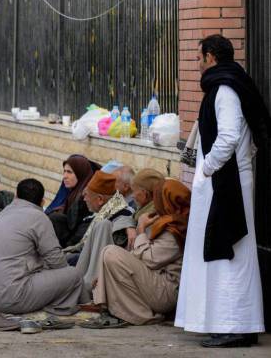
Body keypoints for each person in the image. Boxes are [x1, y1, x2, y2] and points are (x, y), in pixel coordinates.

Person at [176, 34, 268, 348]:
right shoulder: (227, 85)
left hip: (225, 182)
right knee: (222, 251)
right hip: (224, 181)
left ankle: (237, 326)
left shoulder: (225, 90)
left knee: (232, 252)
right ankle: (228, 323)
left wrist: (207, 168)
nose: (197, 63)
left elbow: (228, 136)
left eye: (198, 57)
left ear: (211, 57)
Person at [86, 179, 191, 328]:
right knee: (108, 255)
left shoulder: (176, 229)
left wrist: (141, 229)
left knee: (110, 253)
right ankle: (107, 306)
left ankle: (142, 315)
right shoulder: (167, 221)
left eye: (158, 197)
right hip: (157, 283)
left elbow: (149, 260)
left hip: (166, 292)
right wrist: (105, 273)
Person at [0, 178, 83, 316]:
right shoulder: (39, 217)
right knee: (74, 275)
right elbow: (57, 262)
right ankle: (71, 309)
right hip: (9, 298)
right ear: (42, 202)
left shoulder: (4, 212)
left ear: (16, 196)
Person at [66, 170, 135, 299]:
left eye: (87, 195)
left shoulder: (119, 216)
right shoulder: (107, 211)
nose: (84, 199)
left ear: (100, 199)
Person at [46, 154, 101, 247]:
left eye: (69, 172)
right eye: (64, 171)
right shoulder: (73, 192)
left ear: (80, 174)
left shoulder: (85, 199)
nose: (65, 176)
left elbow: (78, 233)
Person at [125, 168, 166, 247]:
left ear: (145, 194)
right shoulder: (146, 207)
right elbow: (129, 218)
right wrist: (130, 226)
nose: (132, 196)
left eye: (134, 191)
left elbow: (142, 250)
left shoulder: (151, 217)